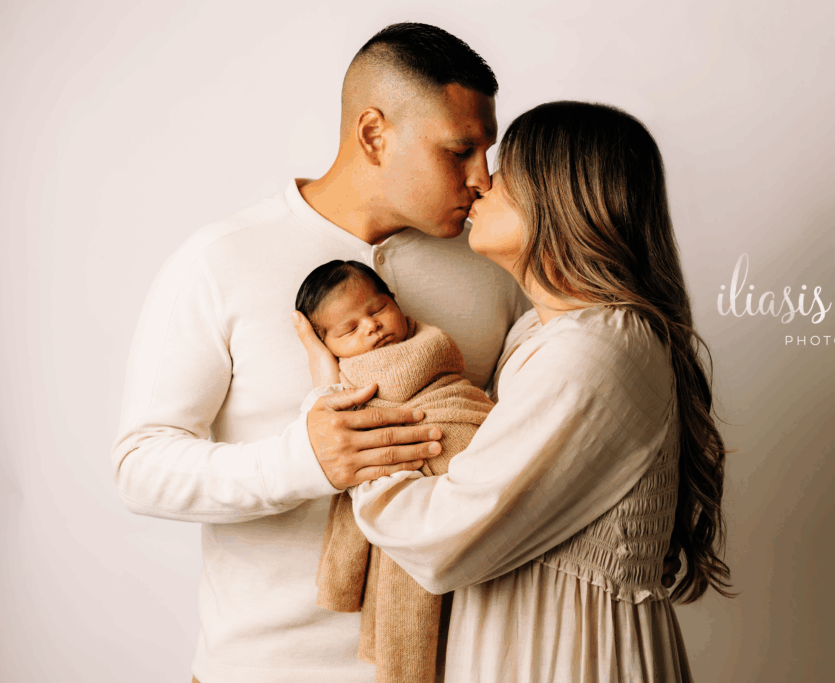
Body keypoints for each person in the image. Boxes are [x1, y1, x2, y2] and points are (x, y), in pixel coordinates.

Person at [111, 23, 524, 683]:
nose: (484, 178)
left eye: (488, 150)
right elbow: (140, 464)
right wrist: (301, 461)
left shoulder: (497, 267)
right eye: (460, 150)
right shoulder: (222, 259)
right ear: (373, 134)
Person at [294, 101, 734, 682]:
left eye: (505, 170)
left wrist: (345, 407)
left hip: (568, 661)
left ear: (559, 198)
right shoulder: (546, 331)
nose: (480, 182)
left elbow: (442, 537)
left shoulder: (592, 353)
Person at [293, 258, 493, 682]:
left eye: (377, 309)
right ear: (328, 346)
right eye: (349, 329)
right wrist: (324, 380)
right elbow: (338, 425)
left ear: (396, 303)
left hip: (465, 458)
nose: (371, 327)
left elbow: (458, 395)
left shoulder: (434, 344)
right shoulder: (348, 383)